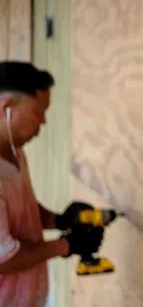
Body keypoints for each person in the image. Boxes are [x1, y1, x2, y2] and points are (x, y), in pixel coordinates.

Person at [0, 61, 104, 307]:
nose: (44, 122)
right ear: (6, 108)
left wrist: (59, 220)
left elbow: (17, 208)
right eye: (39, 111)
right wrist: (66, 245)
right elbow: (4, 258)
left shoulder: (14, 152)